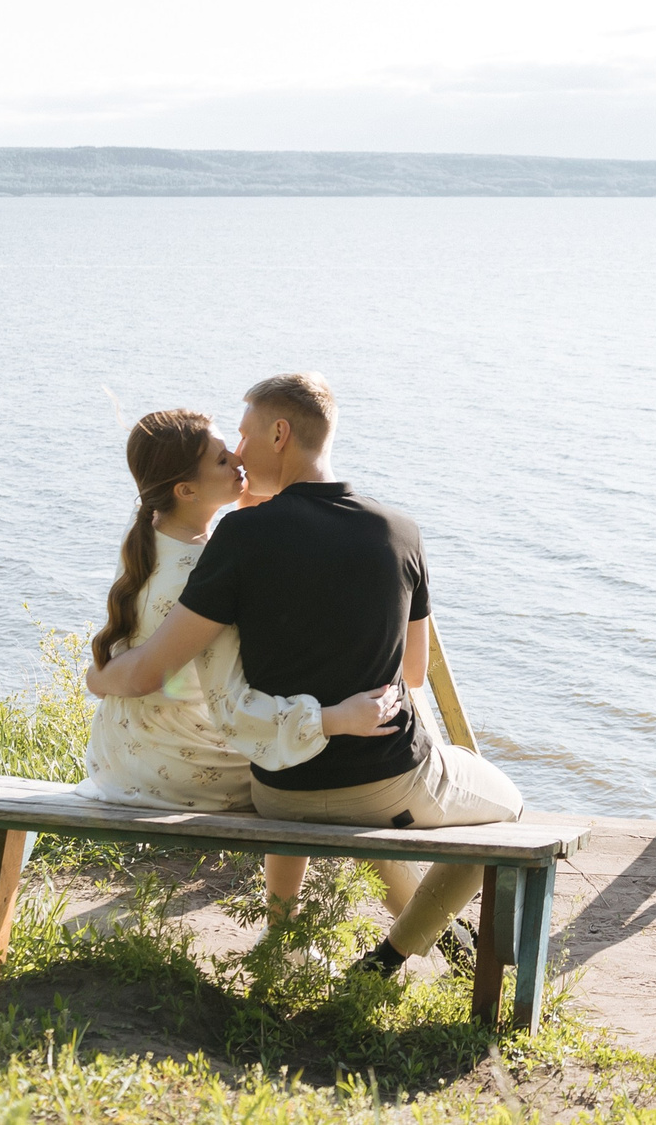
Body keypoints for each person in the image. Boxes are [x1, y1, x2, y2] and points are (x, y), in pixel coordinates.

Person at [89, 374, 524, 978]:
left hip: (277, 785)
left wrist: (100, 675)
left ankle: (290, 942)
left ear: (279, 433)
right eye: (228, 447)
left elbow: (167, 662)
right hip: (375, 775)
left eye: (240, 437)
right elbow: (416, 670)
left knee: (355, 796)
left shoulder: (236, 538)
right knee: (510, 810)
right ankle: (393, 956)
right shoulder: (400, 530)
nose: (238, 453)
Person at [74, 409, 418, 912]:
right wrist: (331, 718)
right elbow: (224, 698)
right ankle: (412, 934)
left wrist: (97, 676)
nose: (238, 459)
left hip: (129, 749)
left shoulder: (158, 531)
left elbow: (273, 506)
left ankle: (347, 930)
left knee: (331, 769)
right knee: (333, 774)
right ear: (186, 491)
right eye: (221, 458)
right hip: (182, 765)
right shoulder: (201, 574)